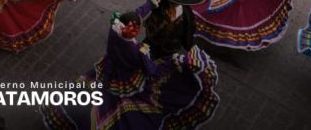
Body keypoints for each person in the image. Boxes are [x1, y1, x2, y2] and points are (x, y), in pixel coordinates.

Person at [40, 9, 218, 130]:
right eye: (134, 27)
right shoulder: (137, 51)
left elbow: (138, 12)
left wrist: (149, 2)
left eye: (137, 27)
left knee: (92, 92)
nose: (136, 30)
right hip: (126, 78)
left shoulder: (114, 30)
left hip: (109, 69)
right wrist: (174, 63)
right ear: (129, 27)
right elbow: (152, 70)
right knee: (119, 105)